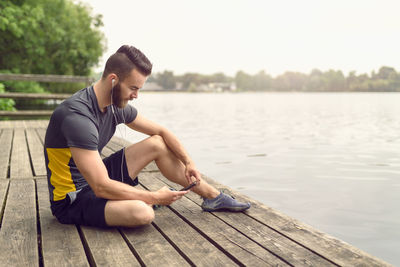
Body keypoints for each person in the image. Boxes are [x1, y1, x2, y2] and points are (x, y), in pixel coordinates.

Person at [44, 45, 250, 228]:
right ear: (113, 80)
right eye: (133, 88)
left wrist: (188, 161)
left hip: (96, 179)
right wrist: (154, 197)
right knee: (143, 214)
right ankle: (147, 201)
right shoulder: (77, 116)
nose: (136, 96)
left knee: (157, 144)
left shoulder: (114, 105)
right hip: (72, 199)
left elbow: (162, 132)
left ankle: (214, 197)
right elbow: (101, 186)